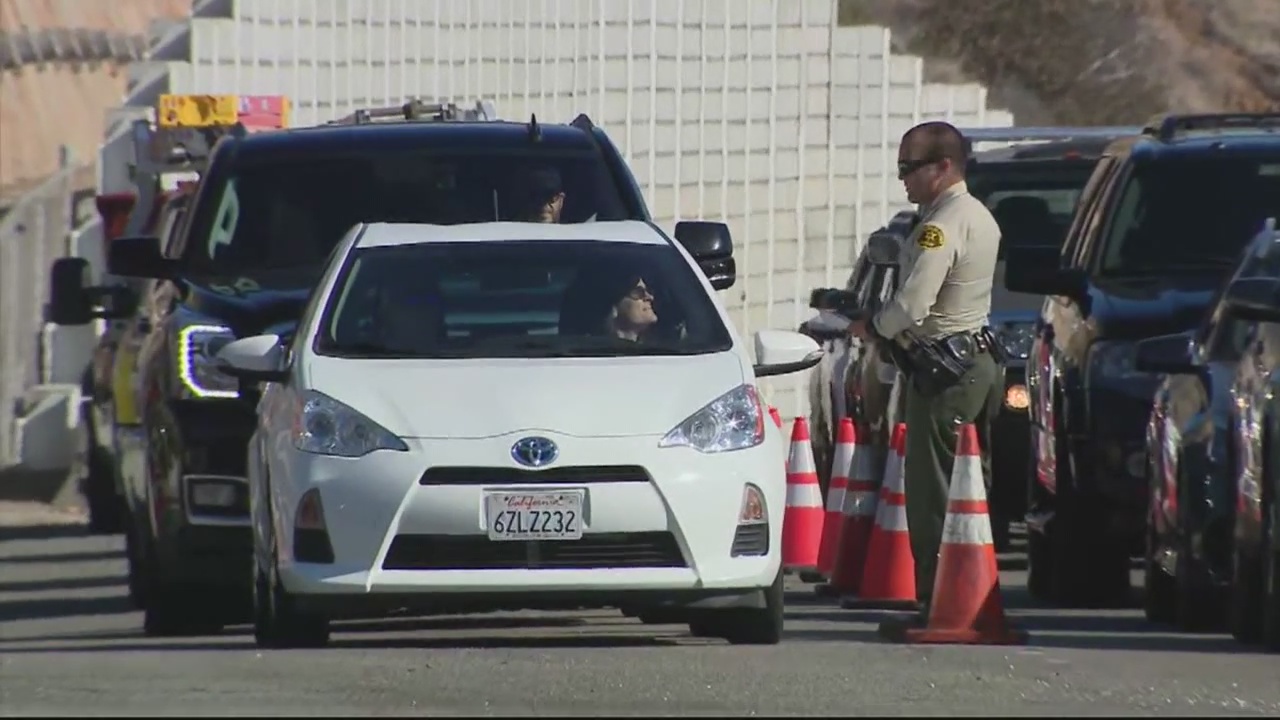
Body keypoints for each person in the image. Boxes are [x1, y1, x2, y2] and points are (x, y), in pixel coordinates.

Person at [846, 120, 1002, 627]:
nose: (903, 179)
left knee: (933, 488)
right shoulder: (973, 215)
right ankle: (957, 596)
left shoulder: (943, 224)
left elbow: (915, 301)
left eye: (910, 168)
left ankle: (940, 599)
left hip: (944, 370)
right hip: (968, 362)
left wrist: (876, 327)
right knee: (965, 488)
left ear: (943, 167)